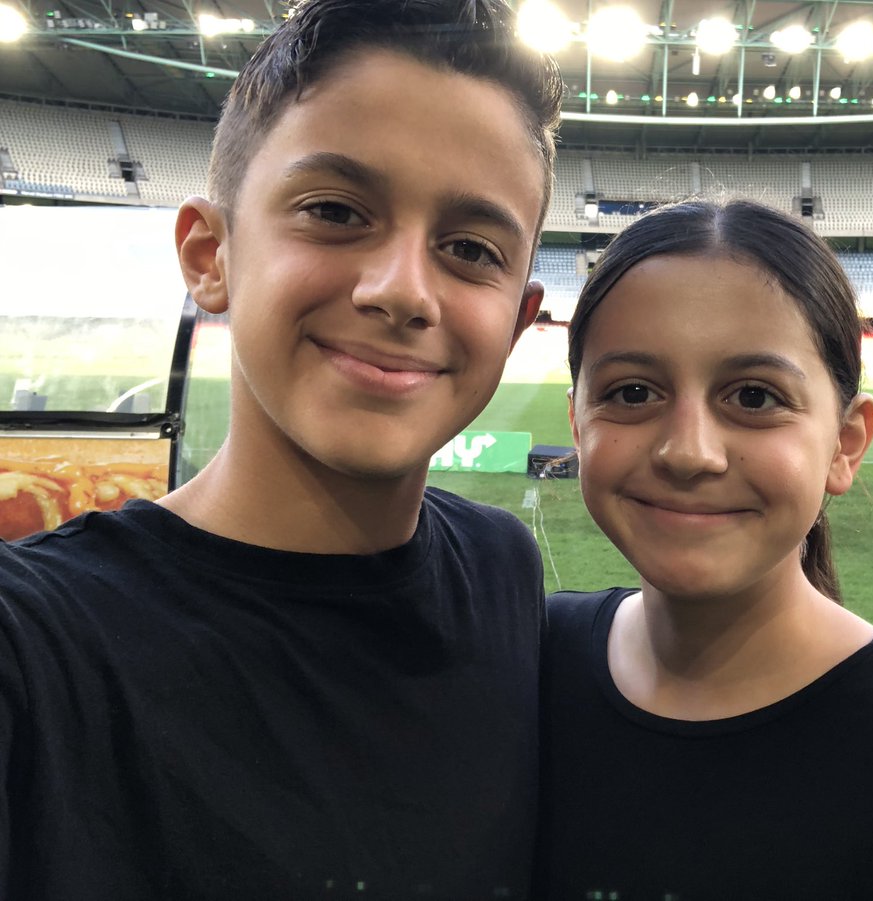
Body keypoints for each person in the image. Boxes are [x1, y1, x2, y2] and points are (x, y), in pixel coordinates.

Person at [0, 1, 562, 897]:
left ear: (519, 320)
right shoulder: (36, 647)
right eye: (336, 211)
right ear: (209, 254)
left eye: (469, 248)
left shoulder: (503, 572)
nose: (401, 290)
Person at [538, 199, 873, 900]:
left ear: (846, 442)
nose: (688, 452)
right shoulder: (521, 670)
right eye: (633, 391)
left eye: (756, 397)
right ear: (578, 427)